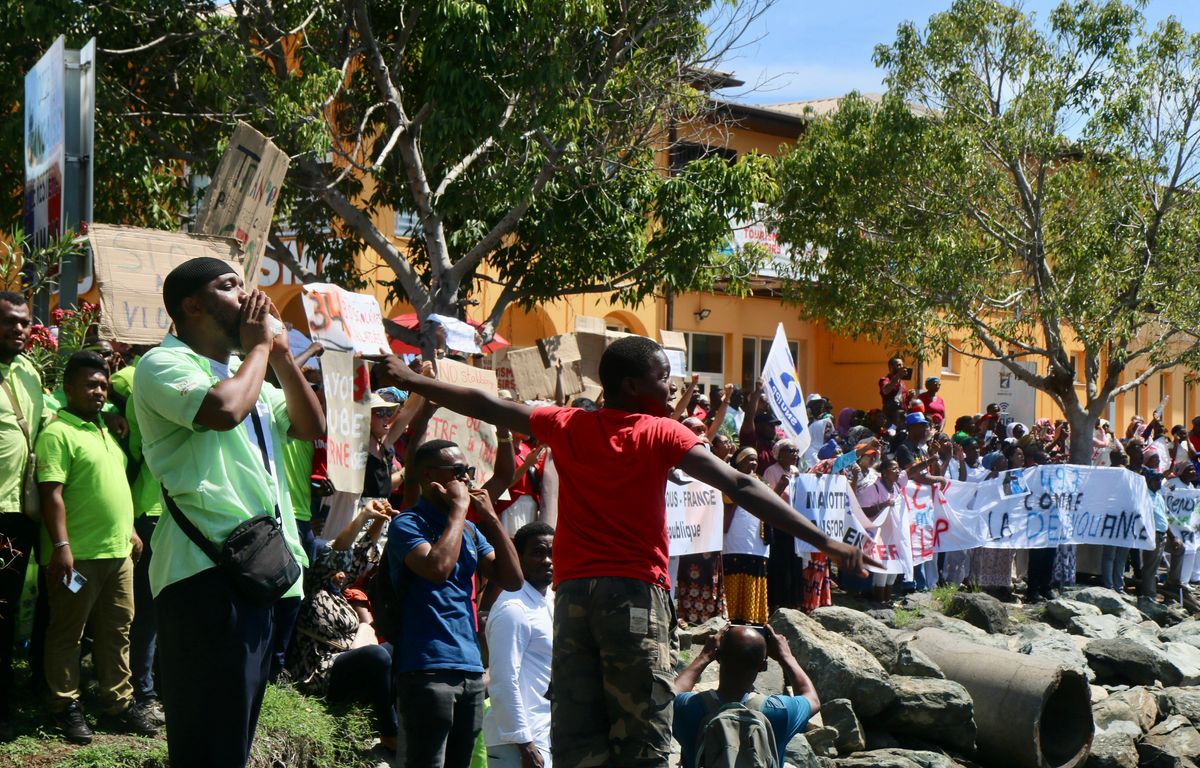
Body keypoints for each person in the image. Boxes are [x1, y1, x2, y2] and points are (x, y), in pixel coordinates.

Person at [376, 336, 872, 768]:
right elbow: (741, 483)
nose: (672, 388)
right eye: (664, 377)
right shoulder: (660, 432)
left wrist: (413, 380)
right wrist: (824, 541)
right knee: (643, 740)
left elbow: (485, 404)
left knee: (578, 735)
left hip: (572, 600)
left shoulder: (567, 424)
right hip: (634, 597)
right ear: (633, 385)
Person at [132, 257, 325, 768]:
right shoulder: (163, 363)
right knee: (208, 746)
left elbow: (309, 425)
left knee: (231, 744)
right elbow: (221, 411)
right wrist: (260, 345)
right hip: (204, 577)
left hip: (258, 575)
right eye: (229, 285)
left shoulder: (252, 375)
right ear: (192, 306)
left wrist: (280, 355)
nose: (248, 295)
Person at [35, 351, 155, 743]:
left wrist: (132, 531)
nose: (99, 391)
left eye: (103, 385)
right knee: (68, 632)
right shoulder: (58, 432)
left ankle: (117, 704)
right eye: (90, 384)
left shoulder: (103, 428)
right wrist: (62, 546)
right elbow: (51, 494)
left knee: (118, 631)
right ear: (67, 388)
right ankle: (63, 705)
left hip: (119, 554)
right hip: (78, 558)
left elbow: (113, 488)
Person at [387, 440, 523, 768]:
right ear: (428, 475)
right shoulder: (407, 524)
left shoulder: (472, 530)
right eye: (458, 472)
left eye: (468, 472)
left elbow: (513, 579)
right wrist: (461, 509)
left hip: (470, 669)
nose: (466, 480)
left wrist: (489, 518)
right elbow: (436, 568)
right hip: (426, 667)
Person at [287, 500, 397, 751]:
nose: (341, 574)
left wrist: (378, 520)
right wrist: (363, 516)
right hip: (318, 671)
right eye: (336, 569)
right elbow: (339, 548)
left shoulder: (340, 593)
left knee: (399, 649)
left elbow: (360, 552)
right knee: (377, 656)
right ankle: (390, 733)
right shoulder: (312, 587)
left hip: (344, 663)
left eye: (343, 571)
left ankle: (399, 720)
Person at [671, 625, 818, 768]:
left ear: (717, 657)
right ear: (763, 666)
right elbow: (812, 699)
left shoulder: (688, 707)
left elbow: (667, 697)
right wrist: (786, 656)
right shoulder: (780, 711)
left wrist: (703, 657)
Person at [0, 291, 46, 740]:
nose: (18, 329)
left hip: (20, 514)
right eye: (9, 322)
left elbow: (50, 419)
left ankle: (7, 698)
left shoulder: (30, 372)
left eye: (24, 322)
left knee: (7, 609)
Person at [483, 521, 555, 768]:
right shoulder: (513, 609)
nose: (547, 560)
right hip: (518, 745)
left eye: (552, 553)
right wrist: (526, 745)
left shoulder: (547, 601)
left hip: (543, 734)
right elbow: (503, 680)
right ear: (518, 557)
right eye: (538, 552)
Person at [722, 449, 770, 625]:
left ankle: (752, 616)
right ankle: (731, 614)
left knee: (754, 567)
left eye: (756, 460)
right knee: (734, 565)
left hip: (757, 536)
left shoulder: (762, 481)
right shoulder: (730, 478)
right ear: (739, 462)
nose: (754, 463)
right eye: (749, 460)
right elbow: (727, 499)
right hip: (736, 532)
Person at [878, 357, 909, 427]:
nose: (901, 367)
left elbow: (904, 401)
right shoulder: (884, 380)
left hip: (902, 417)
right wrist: (898, 376)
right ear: (891, 367)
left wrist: (910, 397)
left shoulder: (902, 383)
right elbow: (885, 390)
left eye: (902, 365)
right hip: (890, 417)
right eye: (898, 365)